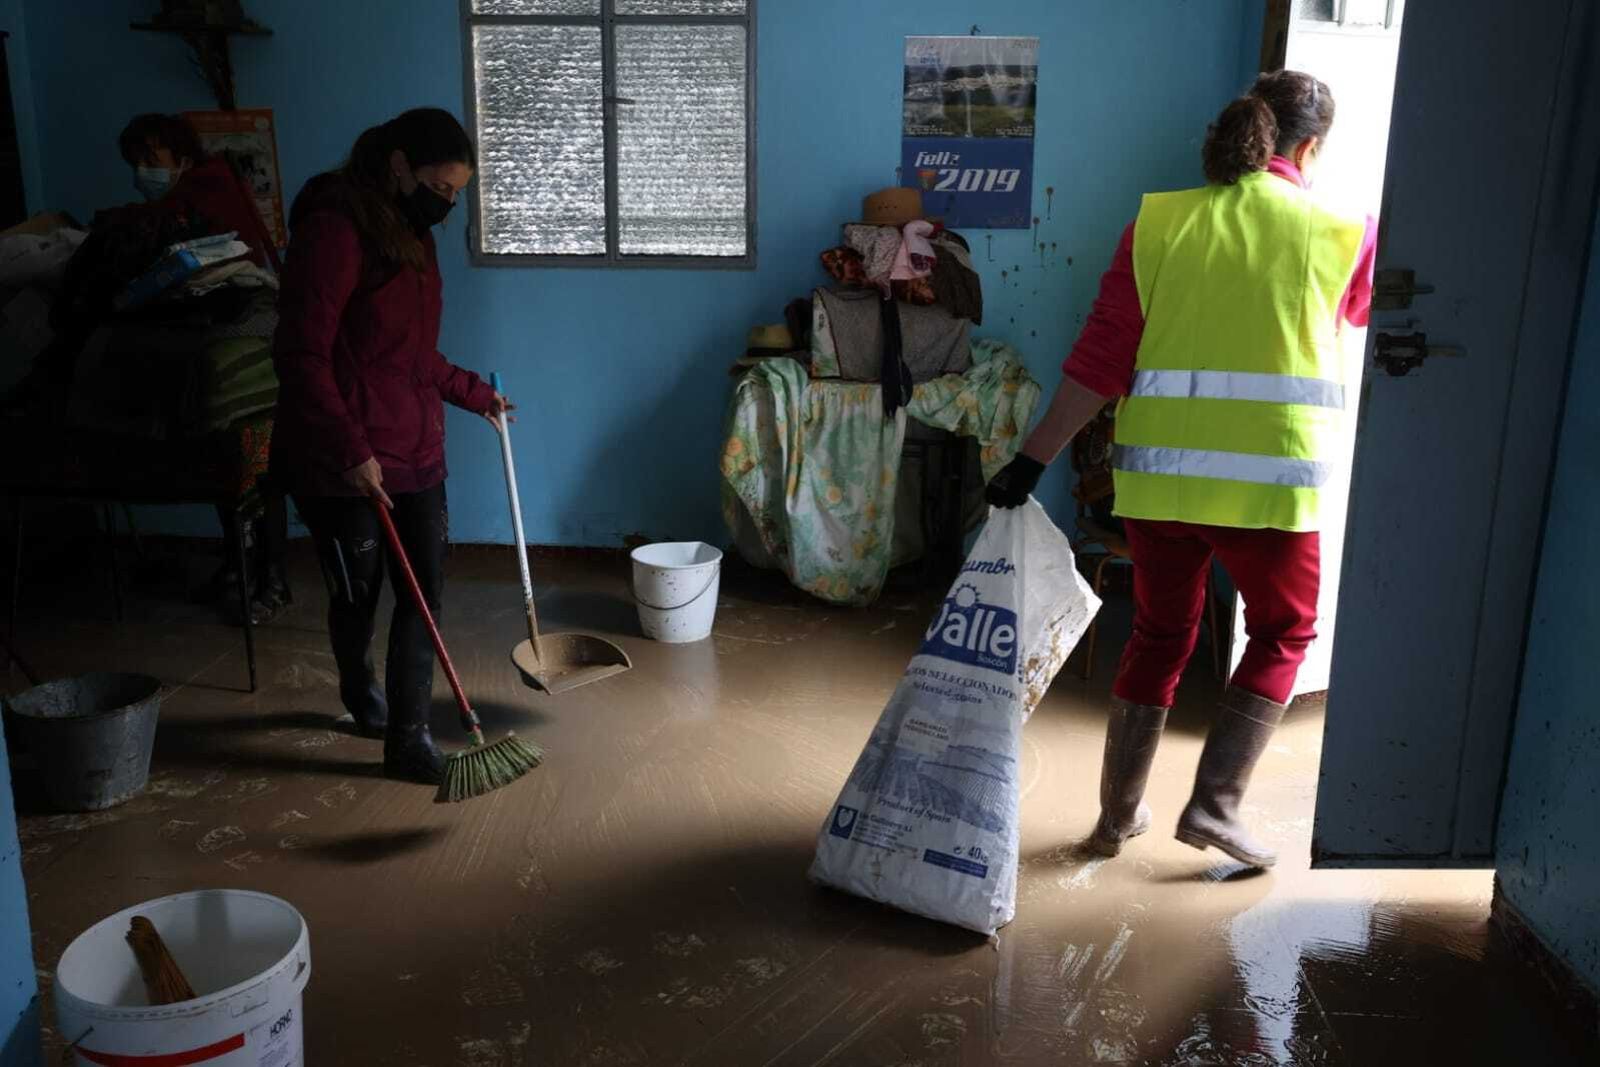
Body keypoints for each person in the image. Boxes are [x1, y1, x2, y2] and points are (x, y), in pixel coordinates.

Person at [986, 71, 1377, 869]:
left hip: (1156, 482)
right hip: (1268, 489)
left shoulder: (1158, 222)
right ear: (1310, 148)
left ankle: (1115, 817)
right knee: (1284, 631)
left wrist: (1029, 461)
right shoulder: (1344, 231)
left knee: (1160, 632)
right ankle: (1214, 805)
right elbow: (1375, 314)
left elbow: (1100, 362)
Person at [270, 108, 511, 784]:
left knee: (424, 594)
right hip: (343, 459)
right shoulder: (335, 229)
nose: (448, 204)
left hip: (416, 450)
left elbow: (410, 355)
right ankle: (359, 688)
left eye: (457, 193)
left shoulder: (414, 236)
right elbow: (301, 353)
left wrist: (474, 394)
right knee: (358, 594)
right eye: (440, 188)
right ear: (400, 165)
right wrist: (349, 448)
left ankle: (409, 738)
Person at [113, 113, 290, 624]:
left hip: (252, 348)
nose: (143, 170)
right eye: (135, 162)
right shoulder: (190, 195)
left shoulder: (208, 189)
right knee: (230, 470)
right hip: (230, 340)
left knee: (258, 471)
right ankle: (241, 567)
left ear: (182, 156)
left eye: (151, 158)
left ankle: (270, 579)